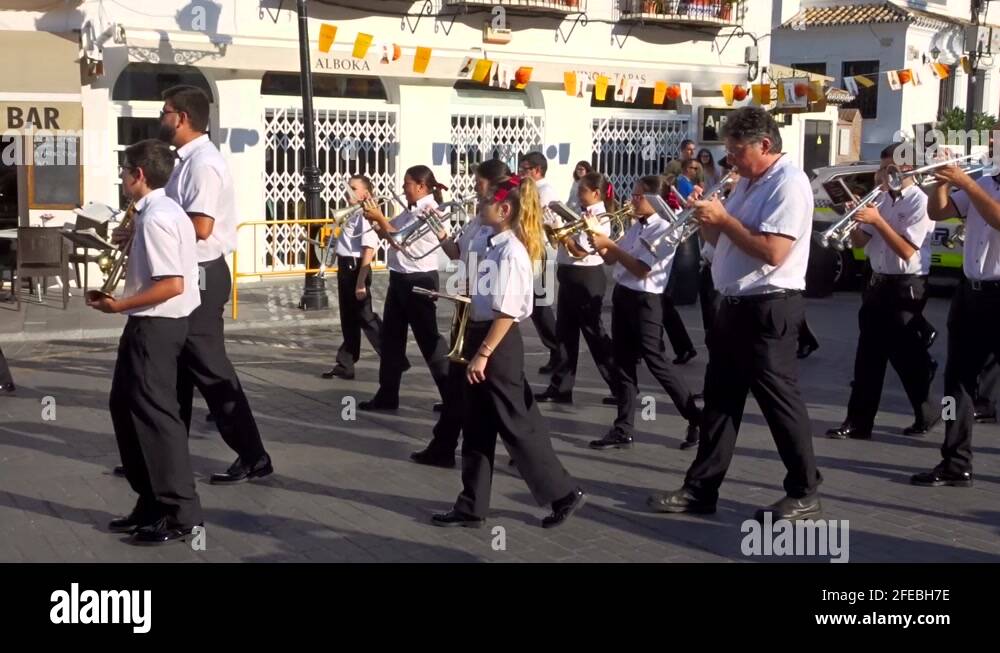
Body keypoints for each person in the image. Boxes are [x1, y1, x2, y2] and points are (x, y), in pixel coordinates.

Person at [649, 107, 823, 522]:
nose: (729, 160)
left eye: (736, 150)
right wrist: (705, 217)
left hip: (769, 306)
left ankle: (805, 489)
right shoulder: (746, 181)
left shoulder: (789, 185)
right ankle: (701, 489)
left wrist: (724, 218)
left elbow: (773, 251)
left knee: (780, 403)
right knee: (720, 403)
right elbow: (718, 241)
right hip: (734, 305)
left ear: (765, 145)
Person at [431, 174, 586, 529]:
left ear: (504, 209)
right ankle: (471, 506)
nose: (478, 205)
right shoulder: (492, 243)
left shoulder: (513, 251)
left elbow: (509, 310)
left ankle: (563, 492)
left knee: (516, 424)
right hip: (480, 333)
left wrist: (483, 354)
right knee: (477, 424)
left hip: (497, 344)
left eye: (484, 201)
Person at [157, 85, 272, 485]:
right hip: (191, 271)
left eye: (166, 111)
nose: (162, 117)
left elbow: (201, 227)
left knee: (209, 366)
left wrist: (151, 228)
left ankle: (253, 454)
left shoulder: (204, 163)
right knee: (178, 369)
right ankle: (164, 456)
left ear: (182, 117)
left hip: (203, 274)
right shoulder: (185, 161)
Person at [90, 139, 203, 545]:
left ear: (138, 175)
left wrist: (118, 304)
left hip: (155, 326)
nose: (121, 178)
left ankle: (180, 512)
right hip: (148, 326)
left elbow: (172, 284)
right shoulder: (155, 212)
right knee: (124, 407)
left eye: (124, 172)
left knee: (157, 419)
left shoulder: (158, 217)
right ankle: (150, 501)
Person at [827, 143, 938, 441]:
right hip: (877, 283)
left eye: (891, 167)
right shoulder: (882, 200)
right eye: (883, 165)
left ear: (908, 168)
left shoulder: (920, 202)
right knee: (868, 356)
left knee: (905, 358)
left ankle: (930, 408)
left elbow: (905, 249)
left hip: (907, 287)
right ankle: (858, 422)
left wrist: (876, 220)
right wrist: (854, 223)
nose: (884, 172)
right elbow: (863, 243)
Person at [587, 176, 703, 451]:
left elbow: (642, 268)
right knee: (623, 361)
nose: (632, 201)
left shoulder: (666, 229)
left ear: (654, 200)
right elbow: (613, 259)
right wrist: (599, 243)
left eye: (638, 196)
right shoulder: (635, 227)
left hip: (646, 300)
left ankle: (695, 417)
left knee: (655, 360)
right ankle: (623, 428)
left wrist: (610, 245)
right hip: (624, 295)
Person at [410, 158, 509, 468]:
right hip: (466, 309)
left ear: (493, 186)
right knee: (456, 386)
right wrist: (439, 233)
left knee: (504, 397)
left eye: (478, 184)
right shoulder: (477, 220)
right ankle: (443, 446)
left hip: (487, 315)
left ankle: (523, 448)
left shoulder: (504, 226)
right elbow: (457, 253)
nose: (474, 189)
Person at [911, 156, 1000, 488]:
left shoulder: (980, 186)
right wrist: (941, 182)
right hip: (970, 295)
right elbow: (938, 212)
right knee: (954, 384)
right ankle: (954, 461)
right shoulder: (986, 184)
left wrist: (966, 182)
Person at [360, 165, 451, 411]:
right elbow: (389, 233)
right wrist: (373, 217)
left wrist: (379, 218)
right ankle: (387, 394)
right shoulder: (412, 209)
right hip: (400, 277)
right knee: (391, 339)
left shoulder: (431, 210)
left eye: (407, 183)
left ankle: (453, 396)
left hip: (419, 279)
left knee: (428, 340)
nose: (403, 188)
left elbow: (401, 239)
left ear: (421, 186)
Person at [535, 172, 618, 404]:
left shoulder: (600, 217)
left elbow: (581, 251)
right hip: (570, 276)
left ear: (596, 193)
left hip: (586, 278)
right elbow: (562, 243)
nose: (578, 194)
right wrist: (554, 228)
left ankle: (621, 386)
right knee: (565, 334)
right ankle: (561, 387)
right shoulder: (580, 212)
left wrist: (561, 231)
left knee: (595, 336)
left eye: (583, 191)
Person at [323, 175, 385, 380]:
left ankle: (393, 356)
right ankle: (345, 363)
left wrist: (360, 281)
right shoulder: (354, 212)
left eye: (353, 188)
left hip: (355, 267)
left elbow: (369, 248)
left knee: (365, 316)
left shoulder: (366, 214)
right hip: (346, 265)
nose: (348, 191)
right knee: (349, 318)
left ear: (365, 193)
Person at [518, 152, 562, 374]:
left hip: (538, 249)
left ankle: (558, 351)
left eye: (525, 169)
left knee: (541, 304)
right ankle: (556, 351)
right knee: (535, 305)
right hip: (527, 248)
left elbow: (528, 215)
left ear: (537, 170)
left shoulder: (545, 191)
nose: (521, 172)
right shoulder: (529, 188)